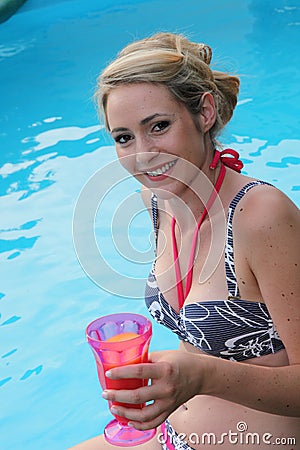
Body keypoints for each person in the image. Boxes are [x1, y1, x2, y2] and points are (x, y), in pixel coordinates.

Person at [70, 32, 300, 449]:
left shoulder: (261, 215)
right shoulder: (158, 201)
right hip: (171, 434)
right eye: (123, 137)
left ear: (205, 112)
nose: (142, 154)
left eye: (158, 126)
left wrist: (200, 376)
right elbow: (196, 335)